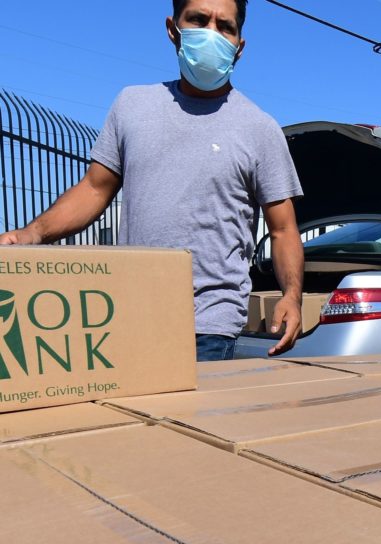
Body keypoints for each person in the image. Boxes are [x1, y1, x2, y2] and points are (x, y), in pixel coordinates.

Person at [0, 0, 304, 361]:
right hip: (128, 315)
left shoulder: (260, 128)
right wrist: (32, 233)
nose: (211, 34)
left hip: (208, 328)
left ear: (239, 45)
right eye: (198, 20)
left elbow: (283, 229)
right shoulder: (132, 105)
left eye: (225, 26)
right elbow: (94, 189)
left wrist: (291, 295)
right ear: (173, 29)